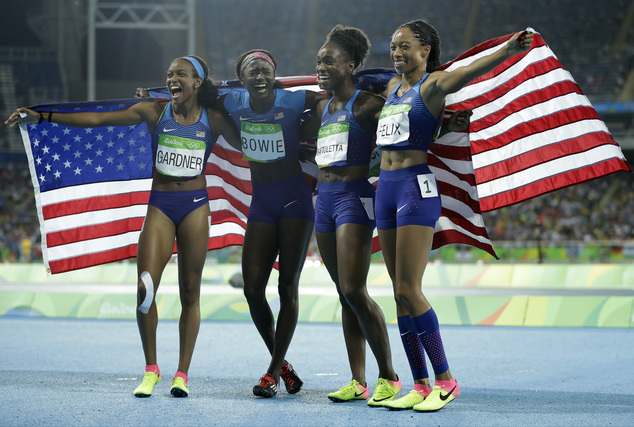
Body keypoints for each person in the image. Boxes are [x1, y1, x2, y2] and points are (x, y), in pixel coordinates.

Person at [5, 55, 240, 399]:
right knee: (145, 291)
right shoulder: (153, 112)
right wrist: (43, 116)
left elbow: (251, 147)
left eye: (181, 74)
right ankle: (151, 370)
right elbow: (100, 118)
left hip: (194, 208)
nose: (173, 77)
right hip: (160, 206)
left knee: (191, 293)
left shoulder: (215, 119)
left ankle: (182, 374)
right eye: (170, 73)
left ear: (197, 82)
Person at [373, 21, 533, 412]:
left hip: (415, 189)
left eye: (405, 46)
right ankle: (420, 383)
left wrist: (506, 50)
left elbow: (467, 73)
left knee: (409, 288)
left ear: (425, 50)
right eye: (393, 46)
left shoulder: (434, 84)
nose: (396, 52)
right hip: (386, 190)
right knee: (397, 294)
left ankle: (445, 380)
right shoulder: (391, 88)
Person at [218, 49, 326, 398]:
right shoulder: (232, 101)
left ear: (274, 73)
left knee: (286, 288)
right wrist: (154, 95)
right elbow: (195, 94)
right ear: (242, 78)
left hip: (295, 199)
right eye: (253, 71)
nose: (260, 76)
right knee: (252, 290)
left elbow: (335, 93)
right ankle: (283, 367)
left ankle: (271, 374)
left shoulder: (294, 99)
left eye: (265, 70)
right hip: (261, 203)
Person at [310, 25, 402, 406]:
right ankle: (357, 380)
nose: (321, 66)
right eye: (318, 60)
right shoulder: (319, 107)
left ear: (350, 65)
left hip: (354, 199)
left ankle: (390, 377)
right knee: (343, 294)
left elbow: (409, 119)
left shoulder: (367, 105)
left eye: (328, 60)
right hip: (323, 202)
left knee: (353, 289)